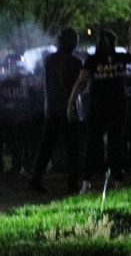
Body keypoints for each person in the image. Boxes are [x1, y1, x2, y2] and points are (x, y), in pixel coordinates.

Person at [67, 27, 131, 192]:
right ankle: (117, 180)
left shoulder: (92, 60)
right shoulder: (119, 58)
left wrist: (71, 102)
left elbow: (81, 82)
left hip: (98, 106)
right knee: (115, 144)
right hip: (117, 106)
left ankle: (86, 183)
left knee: (93, 144)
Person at [28, 29, 83, 193]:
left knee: (46, 147)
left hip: (51, 108)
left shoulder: (48, 60)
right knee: (73, 148)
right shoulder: (75, 62)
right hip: (68, 108)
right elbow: (75, 86)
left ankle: (35, 180)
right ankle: (73, 183)